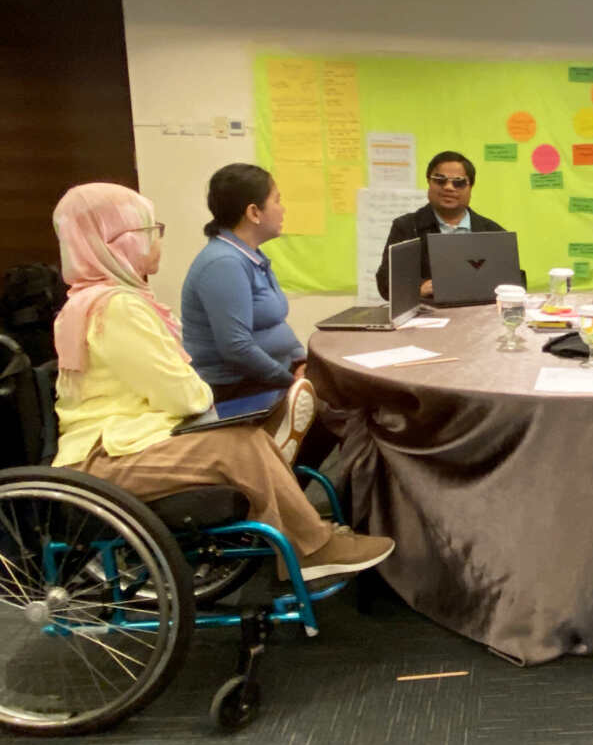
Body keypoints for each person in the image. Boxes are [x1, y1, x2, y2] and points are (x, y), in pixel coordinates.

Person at [51, 182, 394, 582]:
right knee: (242, 446)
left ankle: (293, 518)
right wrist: (201, 390)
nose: (157, 241)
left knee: (248, 441)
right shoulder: (118, 309)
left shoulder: (97, 300)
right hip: (107, 457)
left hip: (118, 440)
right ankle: (311, 546)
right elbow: (185, 394)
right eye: (150, 232)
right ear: (118, 243)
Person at [182, 163, 323, 465]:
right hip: (234, 387)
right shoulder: (223, 263)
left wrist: (300, 360)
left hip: (267, 375)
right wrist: (287, 380)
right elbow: (235, 347)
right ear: (254, 212)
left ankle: (288, 477)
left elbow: (275, 326)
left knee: (341, 404)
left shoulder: (251, 256)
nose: (283, 209)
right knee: (335, 413)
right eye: (277, 200)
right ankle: (283, 480)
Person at [375, 150, 504, 300]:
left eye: (459, 182)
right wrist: (418, 288)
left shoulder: (492, 232)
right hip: (425, 318)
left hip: (479, 317)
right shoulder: (407, 227)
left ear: (470, 187)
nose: (449, 187)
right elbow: (385, 283)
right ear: (429, 182)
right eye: (440, 180)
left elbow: (514, 281)